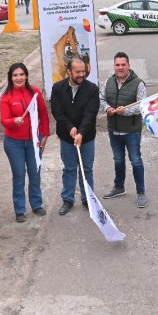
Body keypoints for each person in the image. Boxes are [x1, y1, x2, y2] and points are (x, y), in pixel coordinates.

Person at [0, 63, 50, 222]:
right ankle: (19, 209)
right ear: (11, 77)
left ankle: (36, 204)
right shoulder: (7, 96)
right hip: (14, 143)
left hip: (34, 141)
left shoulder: (35, 92)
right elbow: (4, 121)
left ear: (26, 76)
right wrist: (14, 121)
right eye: (15, 75)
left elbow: (43, 113)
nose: (19, 78)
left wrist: (46, 134)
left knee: (35, 174)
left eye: (21, 74)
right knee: (19, 175)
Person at [50, 57, 99, 215]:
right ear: (69, 71)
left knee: (87, 169)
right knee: (69, 168)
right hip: (66, 137)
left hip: (87, 137)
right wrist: (70, 128)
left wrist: (81, 133)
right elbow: (57, 112)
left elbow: (90, 114)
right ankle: (68, 199)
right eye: (78, 72)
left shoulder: (92, 89)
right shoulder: (57, 88)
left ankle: (87, 199)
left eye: (83, 71)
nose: (81, 75)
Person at [100, 52, 148, 208]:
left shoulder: (138, 83)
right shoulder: (108, 81)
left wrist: (125, 111)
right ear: (114, 66)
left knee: (135, 160)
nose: (120, 67)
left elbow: (142, 105)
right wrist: (107, 108)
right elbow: (101, 99)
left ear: (129, 65)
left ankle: (141, 192)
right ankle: (119, 187)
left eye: (123, 64)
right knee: (118, 160)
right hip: (113, 129)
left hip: (131, 131)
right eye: (117, 65)